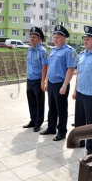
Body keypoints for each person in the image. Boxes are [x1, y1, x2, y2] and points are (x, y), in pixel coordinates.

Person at [40, 25, 76, 141]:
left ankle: (62, 132)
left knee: (61, 109)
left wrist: (65, 86)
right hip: (51, 83)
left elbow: (70, 70)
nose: (55, 40)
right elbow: (49, 67)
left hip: (61, 84)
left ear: (64, 38)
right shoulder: (53, 50)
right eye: (54, 37)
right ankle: (51, 128)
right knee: (52, 107)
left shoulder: (69, 51)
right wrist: (46, 81)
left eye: (58, 37)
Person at [23, 26, 48, 132]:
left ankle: (38, 122)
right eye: (31, 37)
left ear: (39, 39)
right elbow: (28, 66)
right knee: (31, 101)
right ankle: (33, 120)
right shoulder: (29, 50)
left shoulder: (43, 51)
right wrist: (27, 80)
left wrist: (43, 81)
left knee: (39, 102)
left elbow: (45, 67)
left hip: (38, 80)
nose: (32, 39)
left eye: (34, 37)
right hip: (30, 79)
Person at [72, 26, 92, 154]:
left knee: (90, 124)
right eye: (84, 39)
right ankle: (80, 141)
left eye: (88, 39)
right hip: (80, 93)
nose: (85, 41)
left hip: (90, 95)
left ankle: (90, 149)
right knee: (79, 120)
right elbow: (78, 73)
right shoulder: (82, 55)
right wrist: (75, 90)